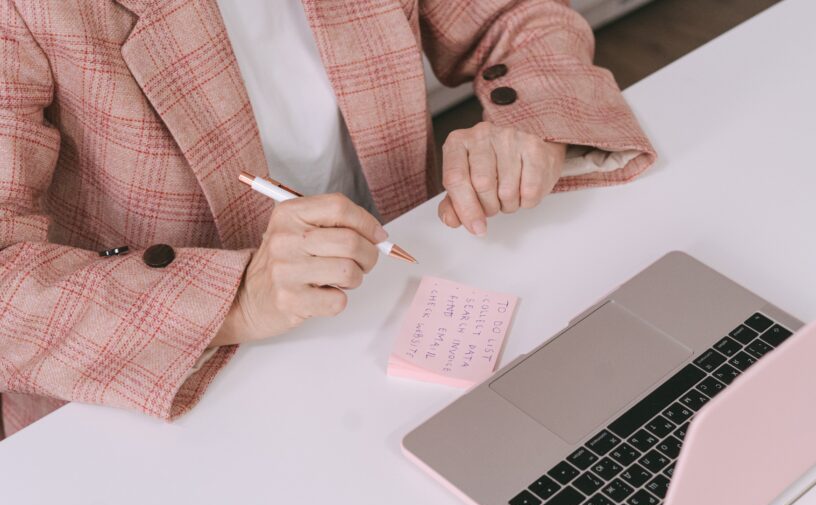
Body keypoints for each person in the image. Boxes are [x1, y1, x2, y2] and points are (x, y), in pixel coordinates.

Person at [0, 0, 655, 439]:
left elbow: (514, 16)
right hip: (161, 396)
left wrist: (529, 120)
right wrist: (238, 297)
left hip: (386, 318)